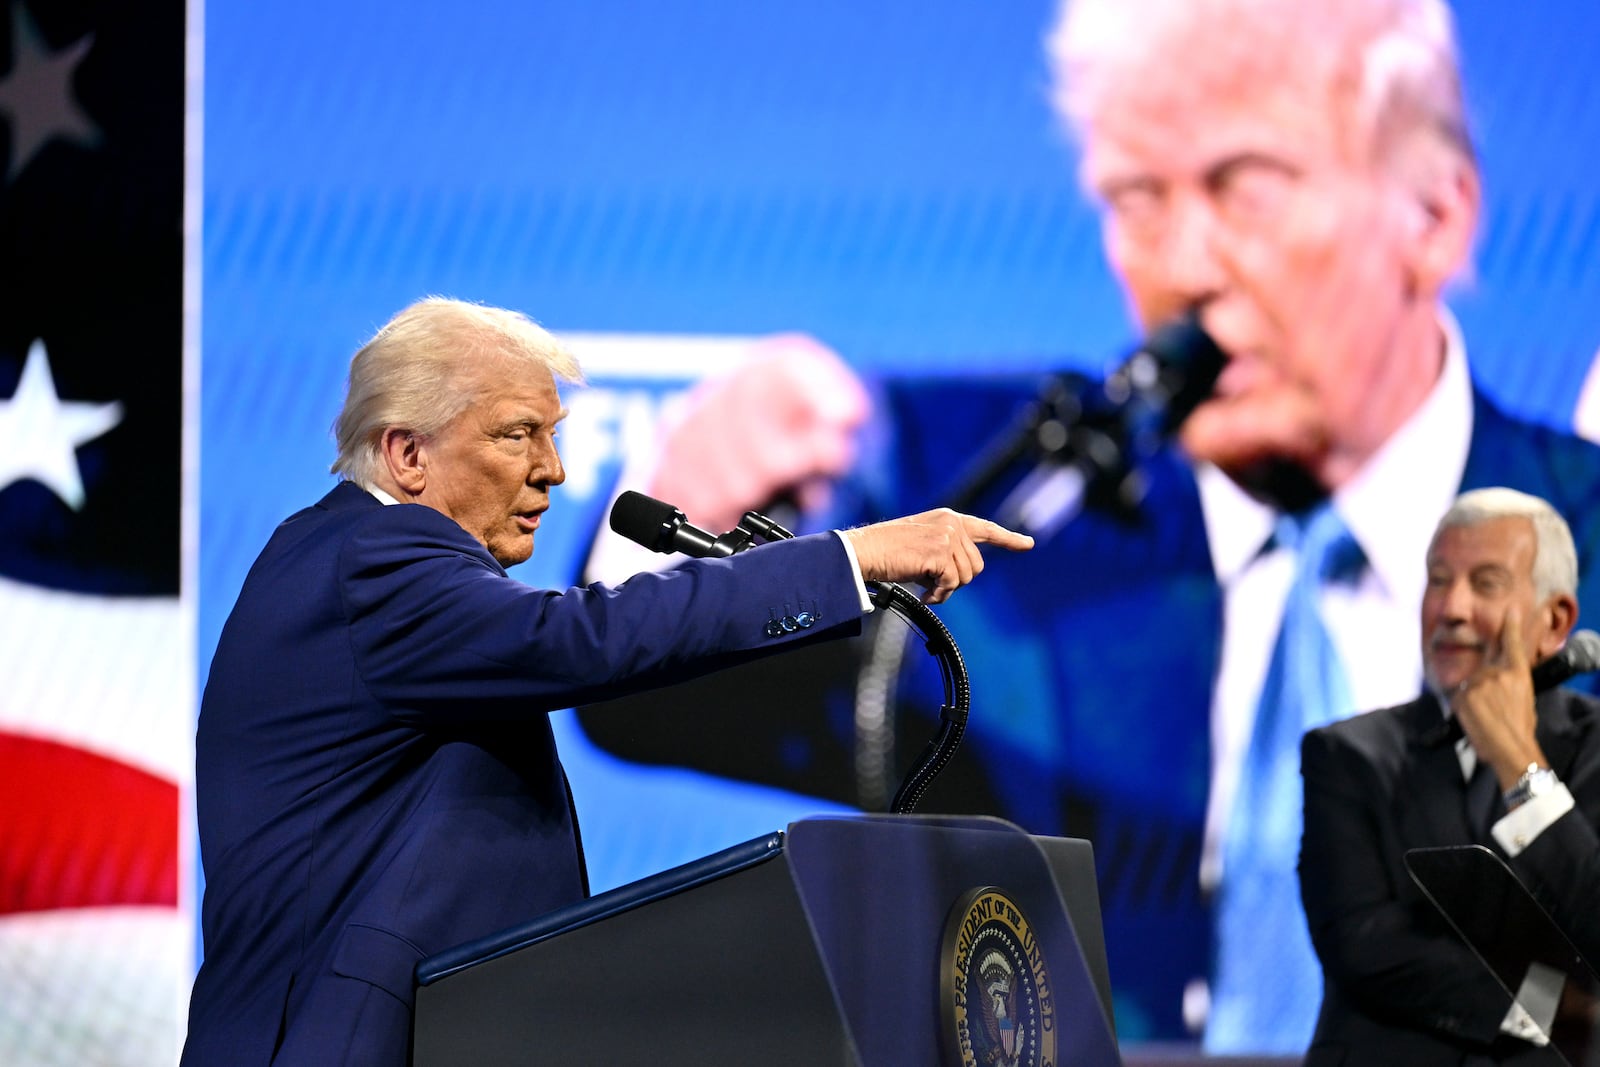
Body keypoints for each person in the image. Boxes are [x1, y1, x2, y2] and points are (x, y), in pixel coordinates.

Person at [573, 0, 1600, 1046]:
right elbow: (650, 703)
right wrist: (692, 496)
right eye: (1137, 200)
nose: (1186, 269)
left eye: (1245, 187)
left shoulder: (1586, 533)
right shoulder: (999, 505)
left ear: (1435, 214)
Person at [178, 297, 1032, 1067]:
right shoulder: (373, 559)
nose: (550, 468)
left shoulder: (360, 573)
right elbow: (579, 640)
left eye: (553, 435)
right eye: (516, 434)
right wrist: (848, 557)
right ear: (406, 454)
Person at [1300, 488, 1600, 1063]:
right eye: (1438, 580)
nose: (1451, 608)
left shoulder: (1595, 750)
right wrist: (1552, 1002)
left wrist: (1519, 765)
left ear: (1555, 620)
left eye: (1485, 583)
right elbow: (1365, 943)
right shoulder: (1348, 754)